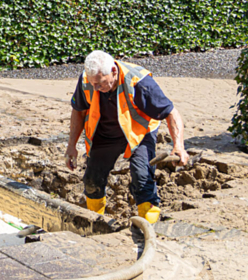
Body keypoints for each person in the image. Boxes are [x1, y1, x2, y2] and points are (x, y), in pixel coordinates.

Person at [64, 50, 189, 224]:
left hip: (138, 133)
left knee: (142, 177)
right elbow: (78, 111)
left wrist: (179, 146)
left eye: (100, 83)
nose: (96, 88)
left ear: (114, 71)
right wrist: (71, 146)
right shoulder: (87, 80)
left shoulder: (139, 82)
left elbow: (171, 112)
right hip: (105, 133)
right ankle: (95, 221)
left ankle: (148, 225)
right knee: (92, 180)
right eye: (93, 83)